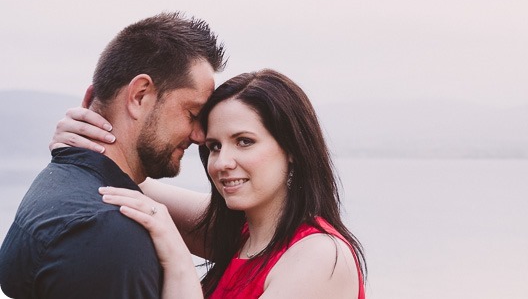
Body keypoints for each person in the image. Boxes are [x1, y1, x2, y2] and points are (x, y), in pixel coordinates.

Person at [55, 69, 366, 299]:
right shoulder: (240, 233)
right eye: (214, 146)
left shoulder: (321, 256)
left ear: (293, 150)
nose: (221, 162)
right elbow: (121, 181)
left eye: (244, 141)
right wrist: (80, 142)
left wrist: (178, 261)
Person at [0, 12, 225, 299]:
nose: (199, 136)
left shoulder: (55, 186)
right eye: (192, 114)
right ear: (140, 95)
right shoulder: (110, 233)